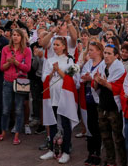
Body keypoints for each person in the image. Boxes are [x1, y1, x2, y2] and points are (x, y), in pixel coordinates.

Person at [40, 36, 79, 164]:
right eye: (54, 45)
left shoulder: (69, 61)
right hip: (52, 96)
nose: (55, 47)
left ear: (64, 46)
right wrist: (52, 72)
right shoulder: (49, 60)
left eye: (57, 44)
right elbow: (44, 78)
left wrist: (59, 71)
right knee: (52, 123)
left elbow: (72, 80)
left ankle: (66, 151)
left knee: (66, 124)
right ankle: (52, 149)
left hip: (65, 97)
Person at [0, 28, 31, 145]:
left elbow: (28, 68)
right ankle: (3, 132)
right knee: (5, 109)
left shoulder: (26, 50)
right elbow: (1, 67)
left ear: (22, 37)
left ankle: (16, 134)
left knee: (18, 109)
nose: (15, 37)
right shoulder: (6, 49)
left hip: (20, 82)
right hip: (7, 81)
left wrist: (16, 63)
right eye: (13, 35)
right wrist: (9, 63)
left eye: (17, 35)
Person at [94, 44, 127, 166]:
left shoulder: (120, 69)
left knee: (118, 138)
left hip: (114, 108)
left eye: (109, 53)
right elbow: (95, 84)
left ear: (116, 56)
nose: (106, 56)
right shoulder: (102, 66)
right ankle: (110, 160)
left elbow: (119, 89)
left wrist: (105, 83)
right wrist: (97, 82)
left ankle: (122, 162)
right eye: (105, 53)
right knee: (105, 137)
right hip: (102, 106)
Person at [80, 41, 104, 166]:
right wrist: (87, 77)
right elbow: (81, 76)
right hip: (88, 97)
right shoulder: (88, 63)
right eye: (89, 50)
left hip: (99, 99)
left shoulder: (104, 64)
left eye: (92, 50)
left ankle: (97, 153)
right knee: (90, 124)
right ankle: (91, 151)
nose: (89, 52)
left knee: (97, 126)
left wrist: (92, 78)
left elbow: (103, 79)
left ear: (99, 51)